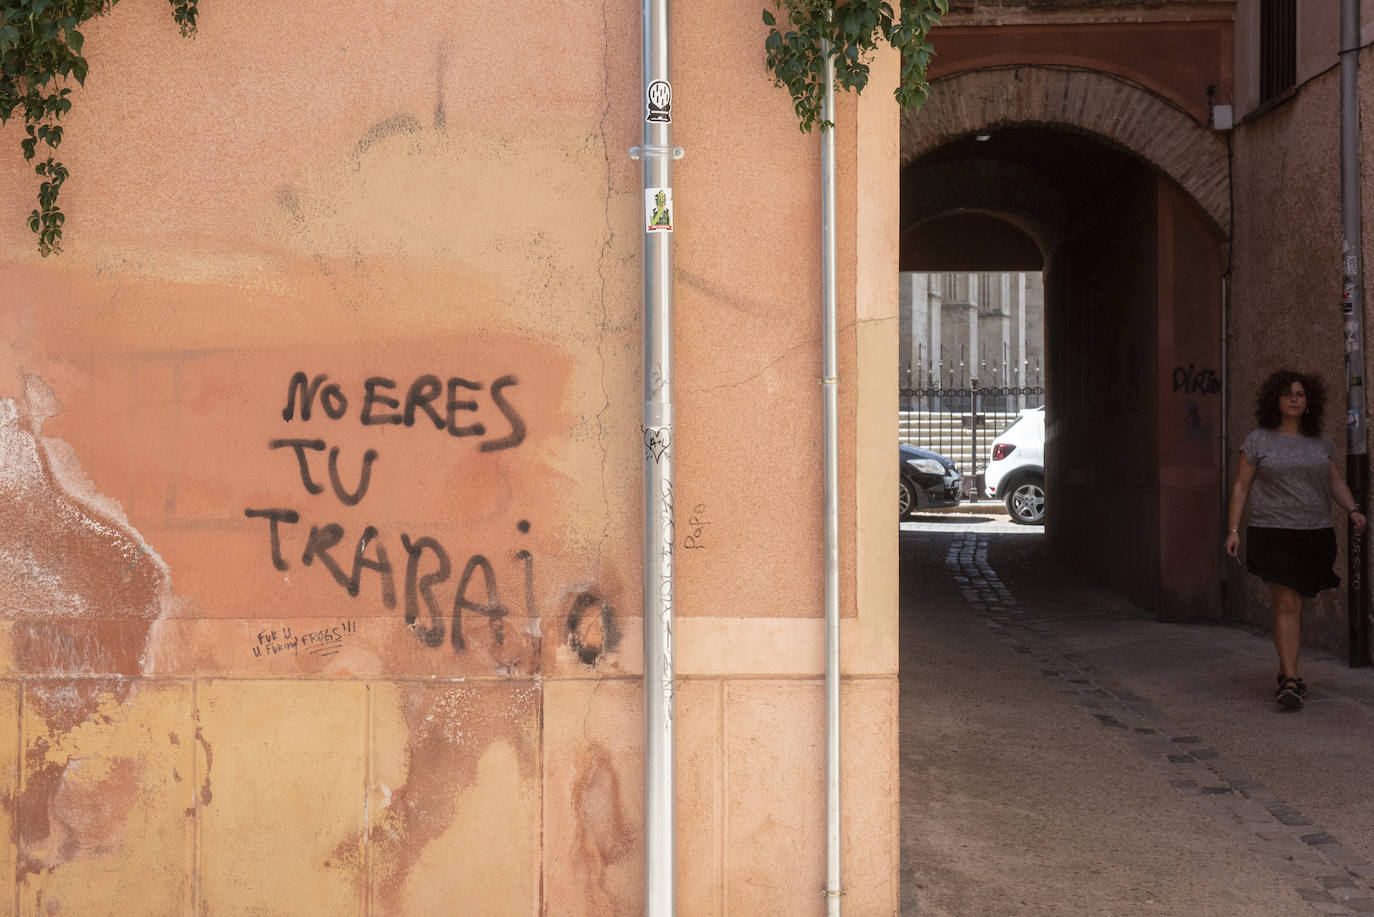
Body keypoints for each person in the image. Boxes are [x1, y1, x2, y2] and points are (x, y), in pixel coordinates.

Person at [1225, 370, 1367, 709]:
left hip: (1314, 534)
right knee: (1287, 603)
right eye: (1288, 393)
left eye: (1300, 394)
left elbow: (1334, 483)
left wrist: (1353, 510)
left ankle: (1288, 671)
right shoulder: (1258, 440)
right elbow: (1241, 486)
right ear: (1275, 400)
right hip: (1272, 534)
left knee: (1297, 603)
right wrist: (1233, 530)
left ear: (1308, 403)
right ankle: (1289, 679)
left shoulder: (1321, 443)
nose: (1294, 398)